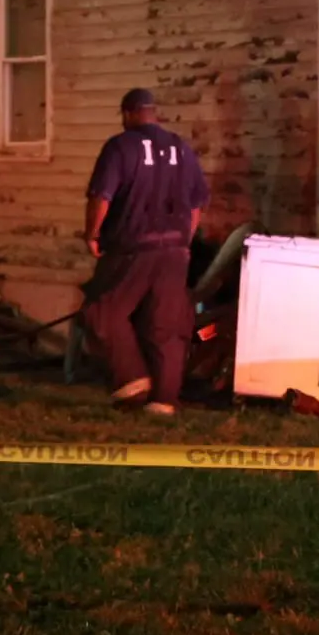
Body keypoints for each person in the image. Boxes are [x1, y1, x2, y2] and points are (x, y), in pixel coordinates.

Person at [82, 88, 209, 414]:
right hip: (176, 249)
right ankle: (164, 400)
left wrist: (93, 233)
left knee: (102, 312)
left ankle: (132, 379)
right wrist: (184, 239)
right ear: (154, 112)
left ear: (127, 113)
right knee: (164, 325)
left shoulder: (120, 147)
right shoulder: (181, 148)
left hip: (132, 247)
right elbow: (196, 204)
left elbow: (102, 196)